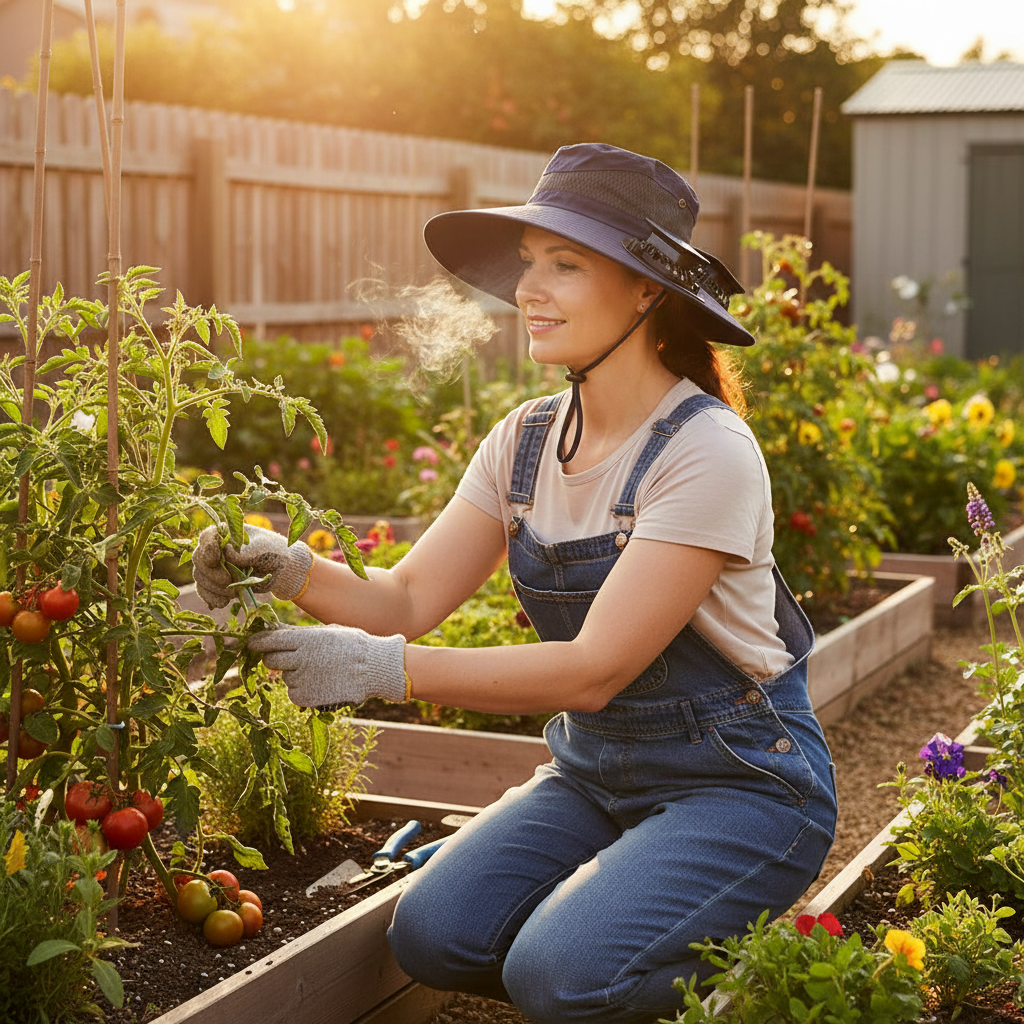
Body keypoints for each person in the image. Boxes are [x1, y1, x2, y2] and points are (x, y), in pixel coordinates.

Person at [191, 143, 838, 1024]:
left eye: (565, 265)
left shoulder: (706, 451)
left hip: (741, 783)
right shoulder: (527, 438)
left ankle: (751, 972)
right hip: (595, 773)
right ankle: (634, 925)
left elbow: (594, 670)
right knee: (433, 935)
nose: (528, 289)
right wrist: (290, 564)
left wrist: (386, 671)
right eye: (531, 264)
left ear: (649, 290)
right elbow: (407, 600)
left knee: (557, 976)